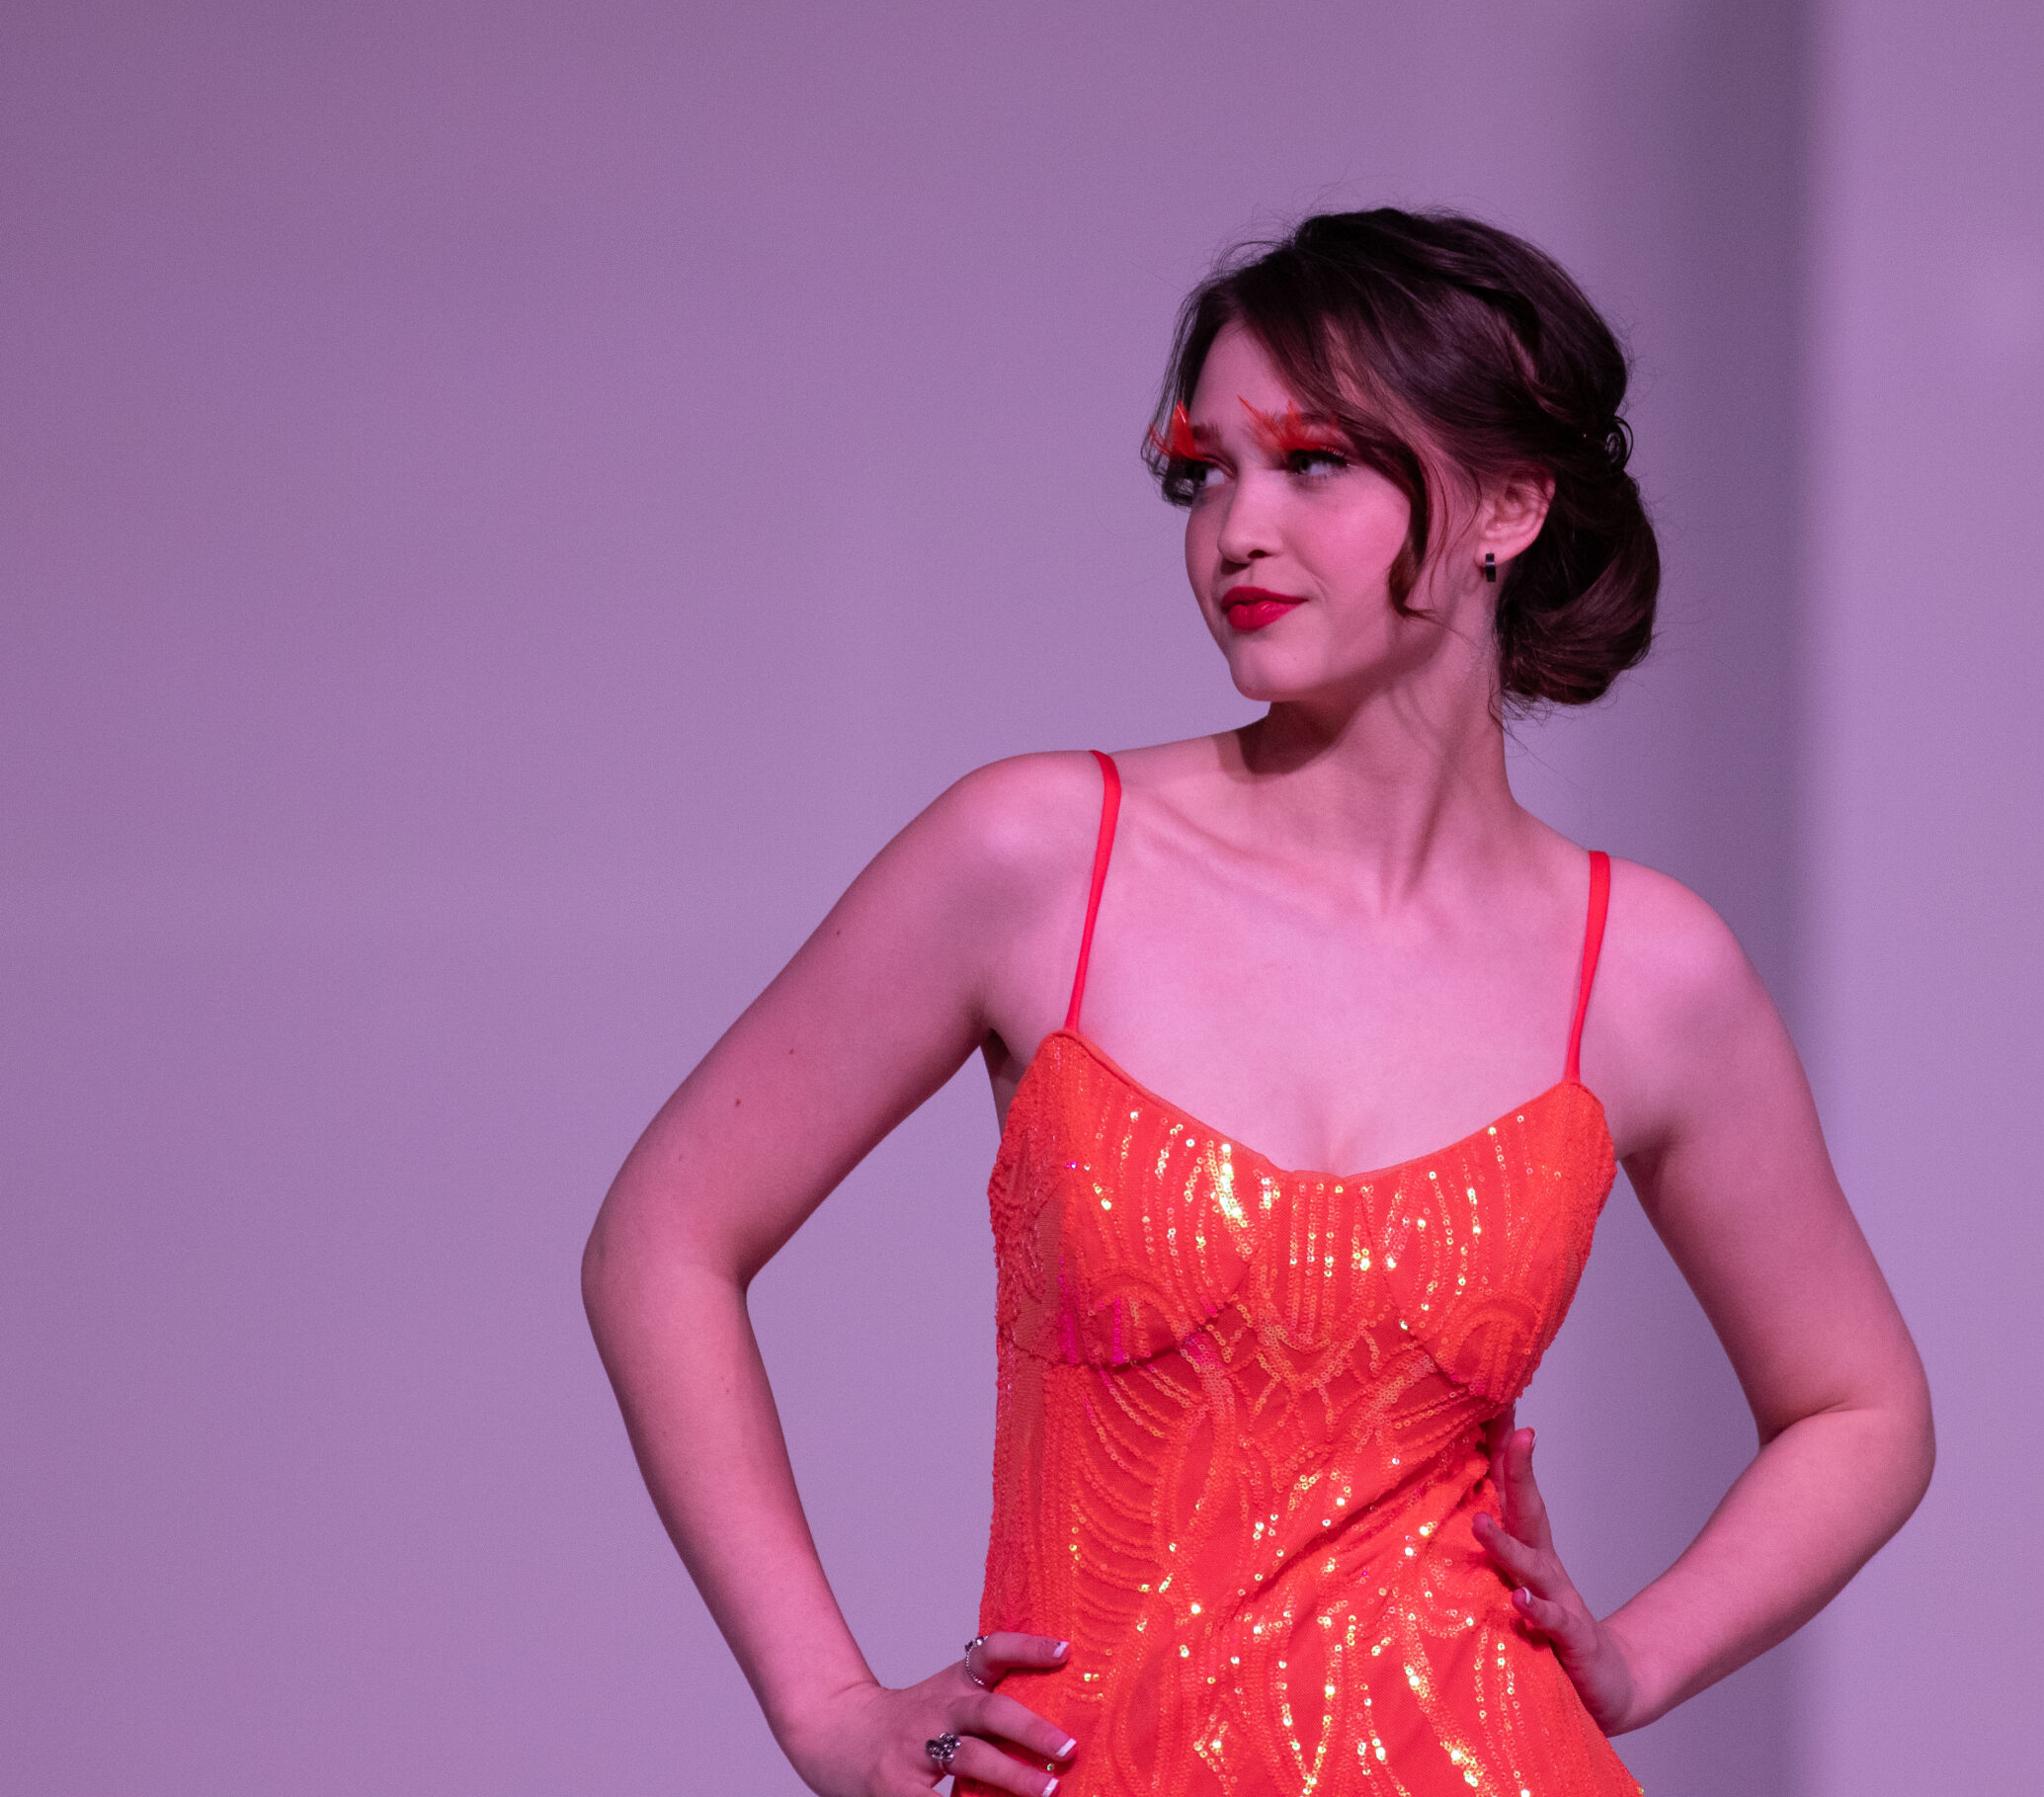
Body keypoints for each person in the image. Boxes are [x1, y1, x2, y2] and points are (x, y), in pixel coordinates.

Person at [583, 207, 1932, 1797]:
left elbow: (1862, 1408)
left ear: (1509, 503)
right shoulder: (1041, 860)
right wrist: (824, 1705)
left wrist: (1636, 1658)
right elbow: (661, 1238)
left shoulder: (1641, 969)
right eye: (1204, 472)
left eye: (1312, 462)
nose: (1236, 529)